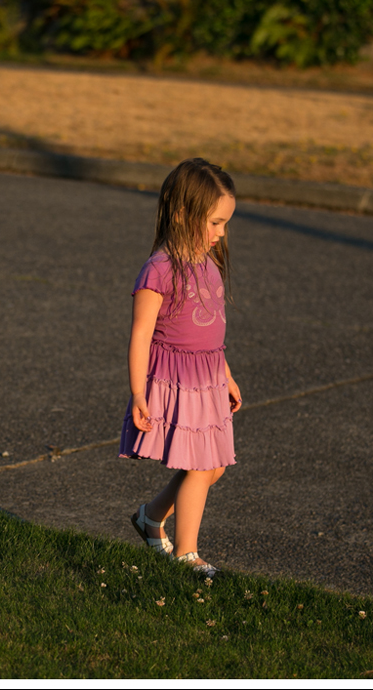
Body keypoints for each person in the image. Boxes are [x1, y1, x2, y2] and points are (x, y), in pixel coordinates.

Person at [119, 157, 242, 578]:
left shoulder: (208, 265)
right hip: (177, 381)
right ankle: (187, 553)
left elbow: (210, 330)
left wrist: (225, 374)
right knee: (200, 465)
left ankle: (151, 517)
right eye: (214, 223)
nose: (220, 233)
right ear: (182, 214)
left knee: (214, 465)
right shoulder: (159, 270)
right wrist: (138, 392)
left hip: (207, 378)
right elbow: (140, 335)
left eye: (225, 224)